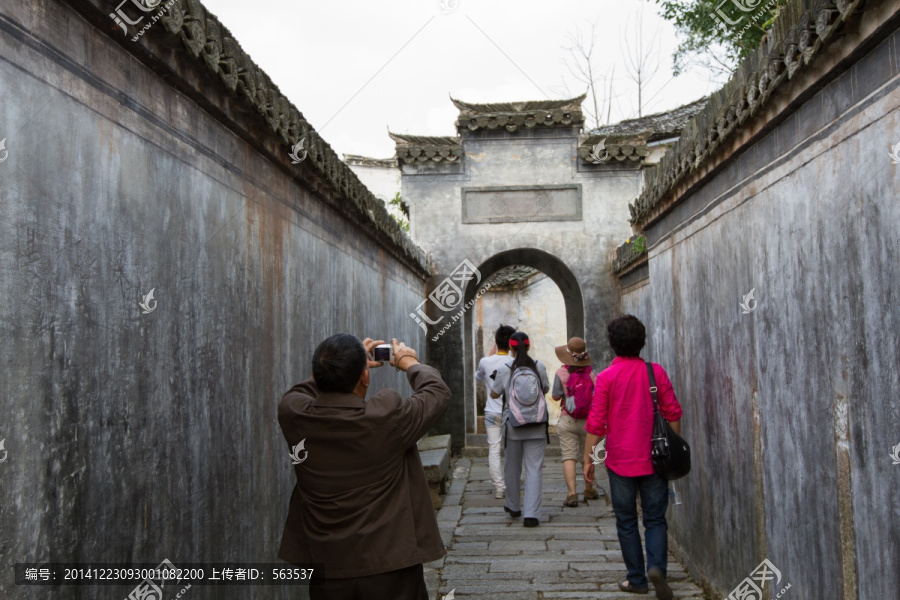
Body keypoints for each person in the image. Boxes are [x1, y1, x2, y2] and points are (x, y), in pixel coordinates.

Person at [277, 334, 451, 600]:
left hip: (327, 567)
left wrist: (336, 366)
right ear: (365, 378)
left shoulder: (294, 414)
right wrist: (409, 362)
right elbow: (437, 393)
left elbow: (301, 392)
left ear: (316, 373)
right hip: (389, 566)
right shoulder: (386, 418)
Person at [583, 316, 683, 600]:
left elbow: (596, 424)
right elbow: (673, 413)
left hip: (619, 462)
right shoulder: (656, 373)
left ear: (612, 344)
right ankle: (657, 569)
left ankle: (636, 580)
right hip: (654, 461)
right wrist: (672, 448)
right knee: (655, 519)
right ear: (642, 341)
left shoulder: (606, 378)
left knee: (626, 521)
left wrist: (588, 459)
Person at [489, 331, 550, 528]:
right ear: (529, 346)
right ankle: (531, 514)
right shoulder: (538, 365)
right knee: (534, 469)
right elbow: (546, 388)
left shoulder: (505, 368)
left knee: (512, 468)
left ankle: (514, 506)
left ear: (511, 347)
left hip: (513, 425)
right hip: (537, 425)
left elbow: (495, 393)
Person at [551, 336, 600, 507]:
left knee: (569, 456)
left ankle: (572, 494)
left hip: (568, 419)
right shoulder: (591, 372)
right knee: (588, 456)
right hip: (589, 421)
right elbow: (598, 394)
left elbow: (556, 395)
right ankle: (589, 489)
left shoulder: (561, 373)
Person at [475, 324, 516, 499]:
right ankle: (512, 482)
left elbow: (478, 378)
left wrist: (489, 358)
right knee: (511, 449)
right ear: (512, 344)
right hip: (511, 413)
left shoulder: (485, 361)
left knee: (493, 449)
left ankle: (499, 487)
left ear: (497, 342)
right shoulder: (513, 362)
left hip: (491, 412)